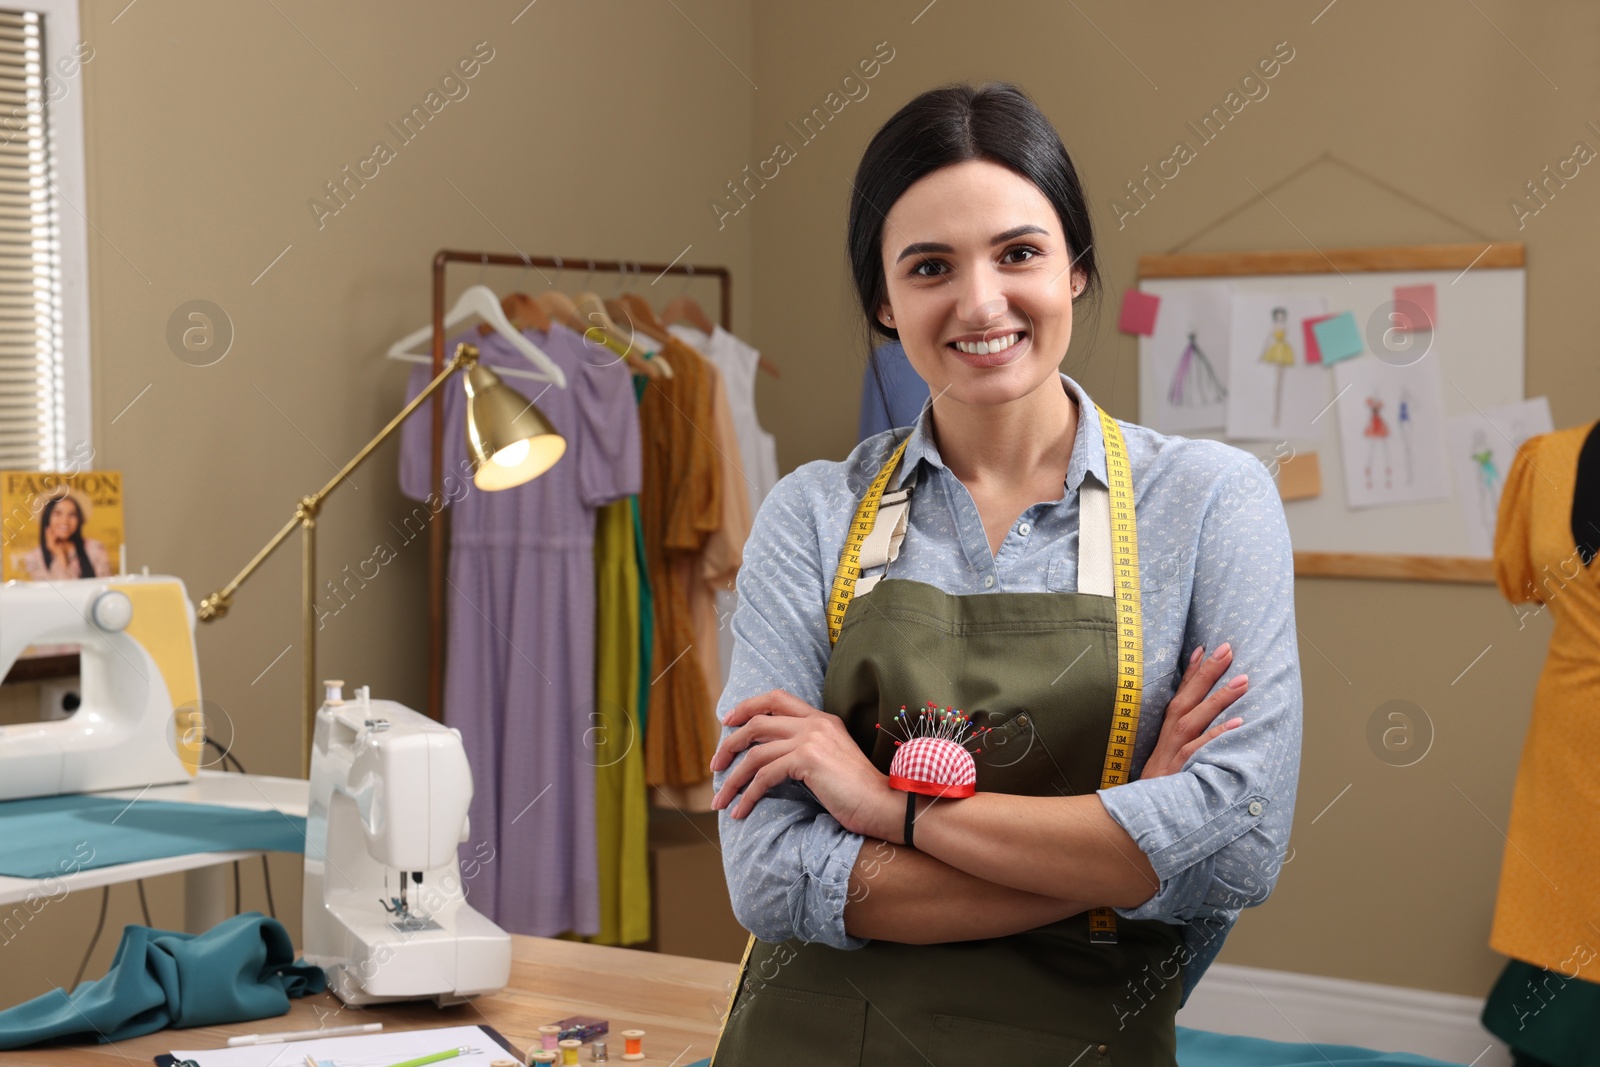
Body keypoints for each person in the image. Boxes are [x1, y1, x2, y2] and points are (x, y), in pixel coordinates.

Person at [706, 82, 1302, 1065]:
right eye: (930, 265)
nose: (980, 301)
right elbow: (769, 876)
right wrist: (1123, 844)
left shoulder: (1208, 502)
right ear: (884, 303)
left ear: (1072, 266)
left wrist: (884, 807)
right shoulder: (810, 515)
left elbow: (1235, 852)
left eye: (1017, 251)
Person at [14, 491, 110, 581]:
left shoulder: (95, 548)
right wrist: (59, 555)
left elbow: (104, 587)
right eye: (58, 513)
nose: (65, 521)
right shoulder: (35, 558)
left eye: (72, 515)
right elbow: (55, 594)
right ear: (47, 518)